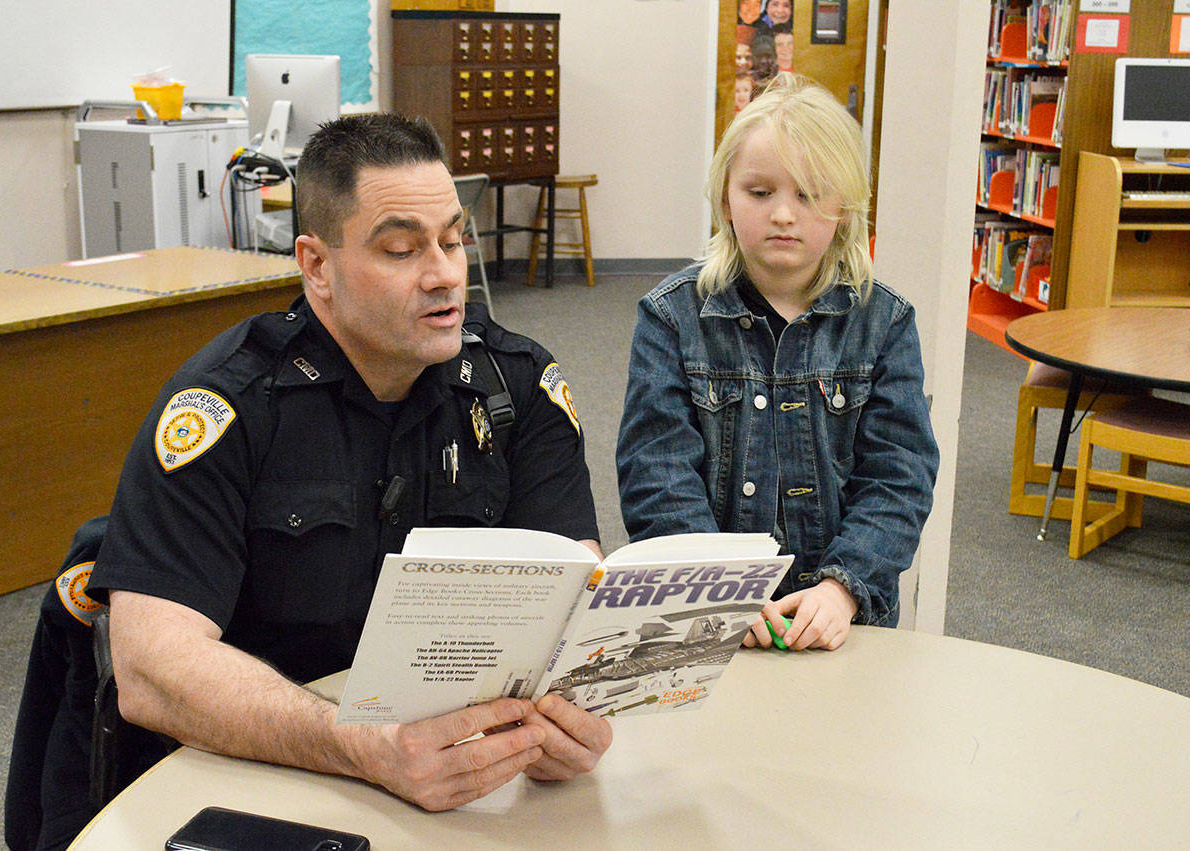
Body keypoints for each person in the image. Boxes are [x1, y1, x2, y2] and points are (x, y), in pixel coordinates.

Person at [86, 113, 612, 813]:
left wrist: (575, 715)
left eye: (455, 240)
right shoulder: (227, 406)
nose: (445, 275)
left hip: (460, 776)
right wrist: (362, 746)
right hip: (259, 769)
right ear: (316, 266)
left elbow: (575, 595)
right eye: (402, 250)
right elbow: (152, 667)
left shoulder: (515, 387)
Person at [615, 74, 938, 653]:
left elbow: (900, 476)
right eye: (760, 193)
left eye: (810, 194)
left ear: (844, 207)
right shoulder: (670, 317)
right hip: (709, 619)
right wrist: (720, 588)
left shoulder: (884, 322)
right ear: (725, 201)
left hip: (845, 621)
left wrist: (841, 589)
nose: (784, 214)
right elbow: (656, 474)